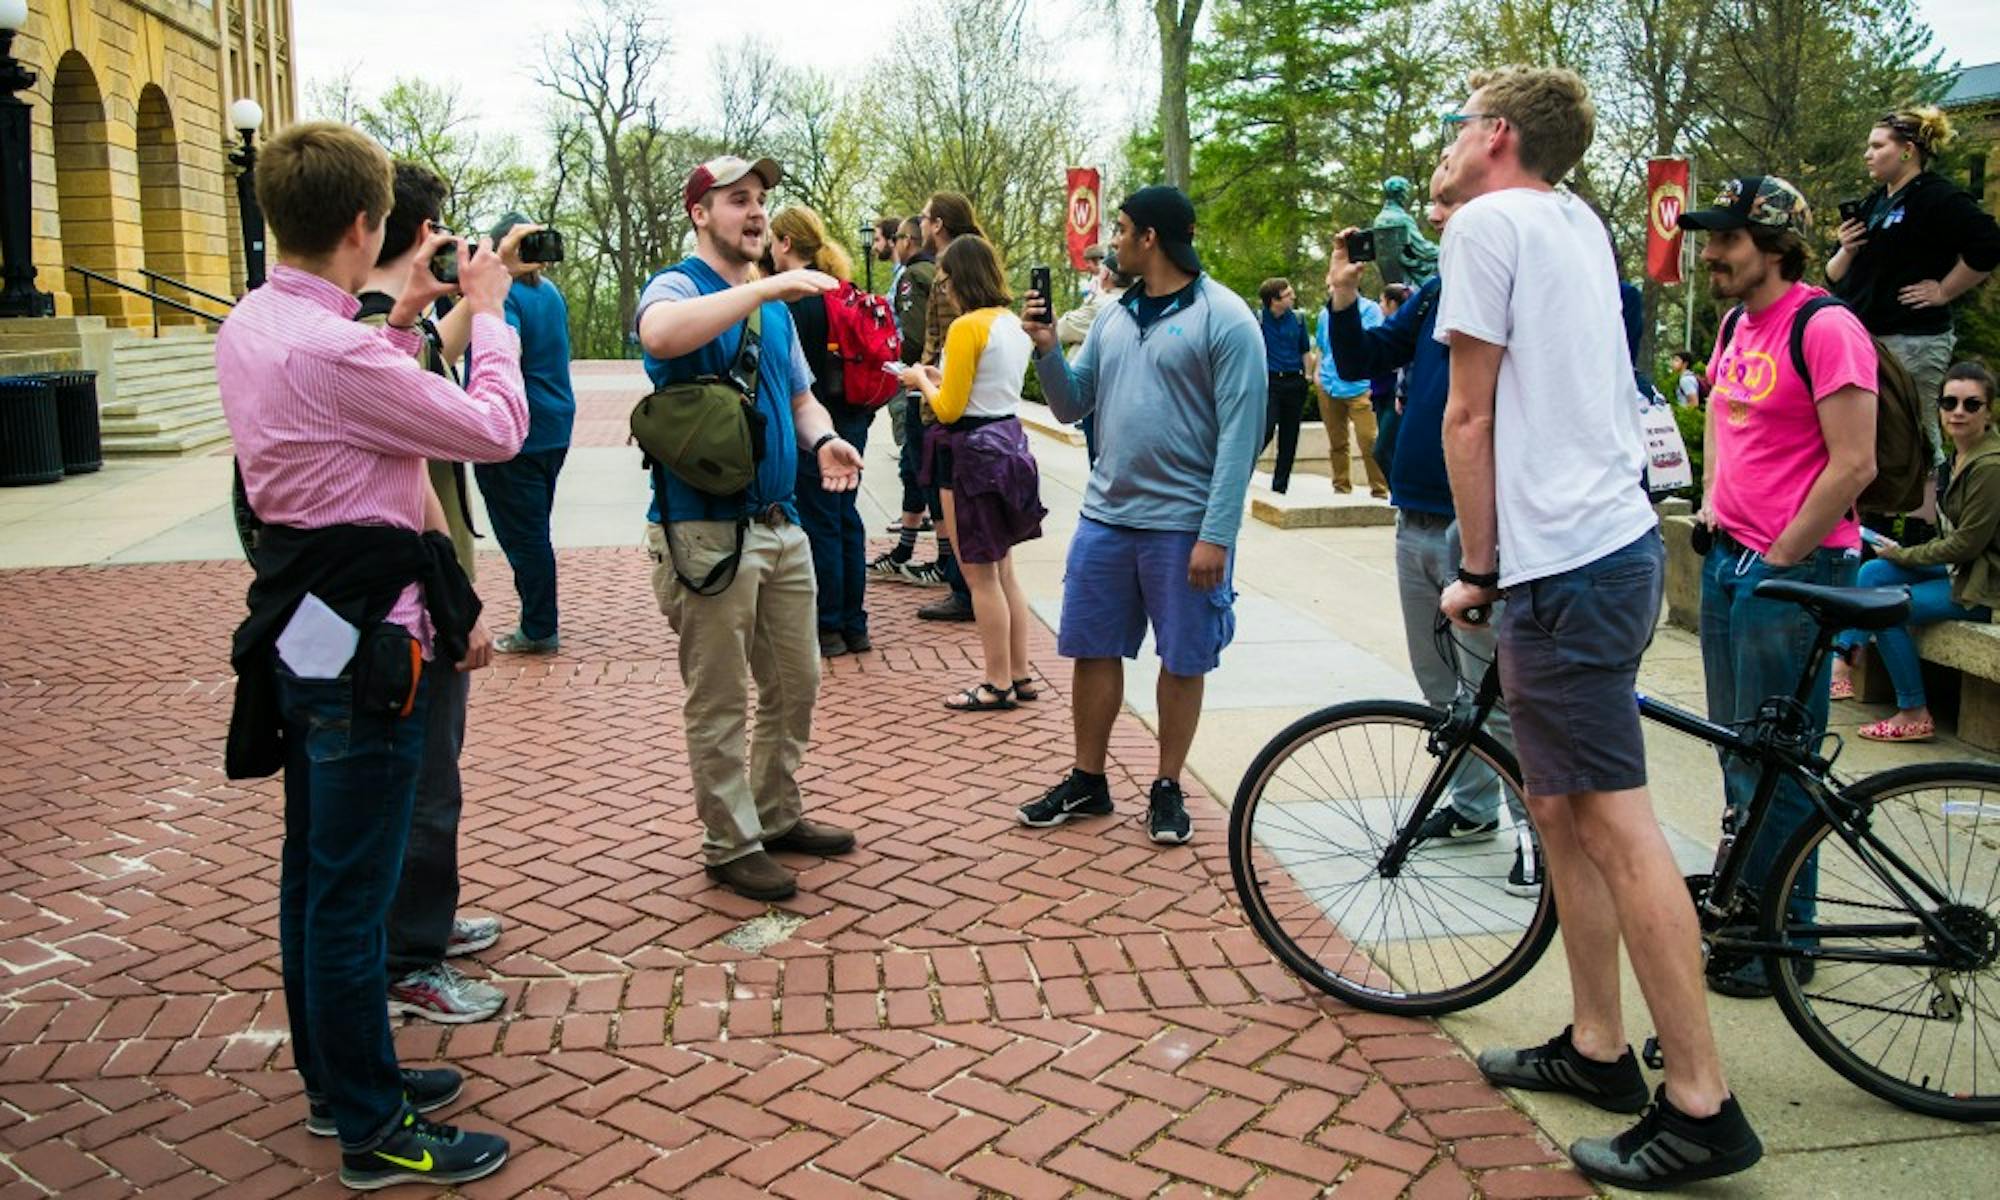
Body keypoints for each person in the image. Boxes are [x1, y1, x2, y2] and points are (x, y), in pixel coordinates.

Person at [1432, 67, 1762, 1189]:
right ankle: (1593, 1045)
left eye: (1457, 126)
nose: (1443, 144)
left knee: (1614, 824)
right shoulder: (1568, 215)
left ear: (1496, 138)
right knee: (1556, 803)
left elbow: (1465, 413)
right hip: (1604, 549)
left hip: (1558, 564)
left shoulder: (1485, 225)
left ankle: (1701, 1103)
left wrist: (1473, 564)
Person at [218, 121, 524, 1189]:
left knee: (315, 876)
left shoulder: (257, 321)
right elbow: (490, 430)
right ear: (366, 223)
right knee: (350, 897)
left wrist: (398, 324)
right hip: (369, 646)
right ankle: (373, 1127)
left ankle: (335, 1079)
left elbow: (351, 415)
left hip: (306, 629)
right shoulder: (331, 347)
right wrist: (488, 321)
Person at [634, 154, 864, 902]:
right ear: (701, 213)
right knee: (721, 697)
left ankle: (774, 812)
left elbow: (801, 400)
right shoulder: (678, 285)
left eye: (761, 199)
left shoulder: (768, 309)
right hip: (702, 530)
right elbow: (661, 336)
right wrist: (764, 286)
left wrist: (824, 439)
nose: (757, 212)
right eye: (739, 200)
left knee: (797, 683)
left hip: (779, 522)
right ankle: (730, 842)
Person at [1016, 185, 1266, 846]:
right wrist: (1045, 348)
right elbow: (1072, 408)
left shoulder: (1227, 318)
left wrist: (1217, 534)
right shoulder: (1113, 317)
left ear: (1150, 238)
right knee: (1092, 647)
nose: (1113, 242)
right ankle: (1089, 780)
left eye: (1122, 230)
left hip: (1185, 525)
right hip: (1107, 517)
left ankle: (1167, 785)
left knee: (1183, 658)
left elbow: (1242, 438)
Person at [1682, 175, 1877, 999]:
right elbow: (1727, 417)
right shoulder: (1735, 322)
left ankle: (1784, 941)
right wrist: (1710, 504)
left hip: (1793, 570)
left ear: (1774, 246)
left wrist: (1782, 557)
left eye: (1726, 239)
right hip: (1732, 561)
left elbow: (1855, 462)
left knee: (1782, 763)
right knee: (1743, 755)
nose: (1711, 253)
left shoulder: (1826, 327)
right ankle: (1754, 919)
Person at [1322, 178, 1533, 895]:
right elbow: (1360, 361)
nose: (1429, 220)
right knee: (1441, 682)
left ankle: (1536, 831)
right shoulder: (1440, 289)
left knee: (1493, 688)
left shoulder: (1516, 284)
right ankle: (1475, 808)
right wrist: (1343, 297)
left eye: (1445, 208)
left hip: (1474, 524)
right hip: (1413, 513)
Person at [356, 162, 519, 1025]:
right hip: (401, 601)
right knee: (421, 782)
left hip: (415, 585)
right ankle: (408, 960)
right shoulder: (352, 336)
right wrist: (489, 312)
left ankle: (422, 926)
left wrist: (428, 307)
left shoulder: (366, 328)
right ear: (412, 233)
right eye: (439, 232)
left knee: (429, 773)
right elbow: (491, 430)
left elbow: (427, 363)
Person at [898, 234, 1045, 710]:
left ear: (959, 279)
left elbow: (949, 408)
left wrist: (919, 378)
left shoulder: (965, 328)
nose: (942, 290)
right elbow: (983, 387)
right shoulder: (1010, 325)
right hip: (1007, 443)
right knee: (1004, 571)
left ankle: (995, 682)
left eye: (944, 281)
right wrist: (940, 379)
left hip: (968, 455)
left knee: (979, 575)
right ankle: (1019, 673)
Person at [1829, 106, 2000, 487]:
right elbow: (1835, 275)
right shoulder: (1875, 202)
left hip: (1914, 339)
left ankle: (1929, 525)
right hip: (1864, 338)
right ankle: (1873, 520)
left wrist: (1945, 289)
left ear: (1907, 150)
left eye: (1877, 146)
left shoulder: (1937, 197)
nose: (1867, 154)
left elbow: (1988, 244)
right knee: (1866, 436)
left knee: (1917, 434)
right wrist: (1846, 247)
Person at [1832, 363, 2000, 740]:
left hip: (1984, 585)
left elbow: (1966, 544)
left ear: (1988, 411)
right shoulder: (1955, 460)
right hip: (1961, 569)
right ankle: (1844, 659)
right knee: (1872, 574)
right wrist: (1898, 554)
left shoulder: (1991, 467)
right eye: (1950, 402)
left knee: (1888, 608)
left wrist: (1904, 555)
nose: (1958, 411)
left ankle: (1913, 711)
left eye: (1972, 405)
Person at [767, 205, 874, 658]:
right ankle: (855, 623)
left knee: (821, 524)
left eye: (774, 239)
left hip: (818, 426)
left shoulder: (795, 301)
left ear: (786, 244)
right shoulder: (843, 290)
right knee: (847, 518)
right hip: (854, 418)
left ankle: (827, 626)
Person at [474, 212, 576, 656]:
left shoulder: (507, 297)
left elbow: (500, 353)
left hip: (518, 431)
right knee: (535, 527)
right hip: (554, 426)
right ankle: (538, 620)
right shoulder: (550, 293)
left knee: (525, 535)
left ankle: (538, 627)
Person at [910, 192, 988, 623]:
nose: (920, 225)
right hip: (958, 398)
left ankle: (962, 588)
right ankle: (959, 579)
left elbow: (941, 340)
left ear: (938, 224)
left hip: (945, 401)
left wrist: (921, 381)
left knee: (953, 503)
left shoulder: (949, 273)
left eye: (923, 218)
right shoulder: (963, 264)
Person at [868, 214, 949, 586]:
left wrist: (906, 369)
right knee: (914, 468)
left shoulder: (916, 276)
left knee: (924, 469)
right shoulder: (926, 272)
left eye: (898, 237)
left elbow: (915, 336)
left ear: (907, 240)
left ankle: (943, 561)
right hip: (922, 383)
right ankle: (906, 549)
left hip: (918, 385)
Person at [1314, 286, 1387, 497]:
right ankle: (1341, 486)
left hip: (1360, 385)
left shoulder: (1370, 309)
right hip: (1329, 383)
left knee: (1369, 440)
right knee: (1337, 442)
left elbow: (1374, 344)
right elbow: (1321, 346)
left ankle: (1380, 489)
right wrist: (1317, 373)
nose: (1331, 291)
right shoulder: (1324, 313)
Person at [1256, 277, 1316, 494]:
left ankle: (1279, 487)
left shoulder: (1298, 319)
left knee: (1290, 437)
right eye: (1288, 295)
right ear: (1274, 300)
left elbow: (1305, 350)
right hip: (1270, 381)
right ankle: (1241, 471)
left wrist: (1307, 377)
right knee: (1266, 428)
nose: (1293, 297)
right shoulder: (1258, 320)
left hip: (1294, 380)